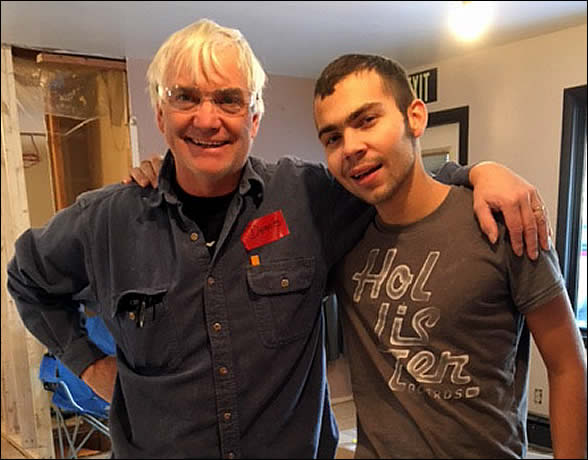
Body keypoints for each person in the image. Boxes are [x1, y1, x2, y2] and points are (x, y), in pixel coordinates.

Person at [7, 19, 551, 459]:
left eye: (228, 99)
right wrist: (88, 364)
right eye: (185, 97)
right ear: (159, 112)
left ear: (255, 117)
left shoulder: (310, 198)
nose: (207, 119)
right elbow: (26, 280)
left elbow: (398, 181)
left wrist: (479, 172)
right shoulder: (105, 221)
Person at [312, 53, 587, 458]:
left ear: (415, 117)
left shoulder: (504, 221)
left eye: (367, 120)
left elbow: (567, 364)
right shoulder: (343, 237)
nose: (350, 147)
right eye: (332, 138)